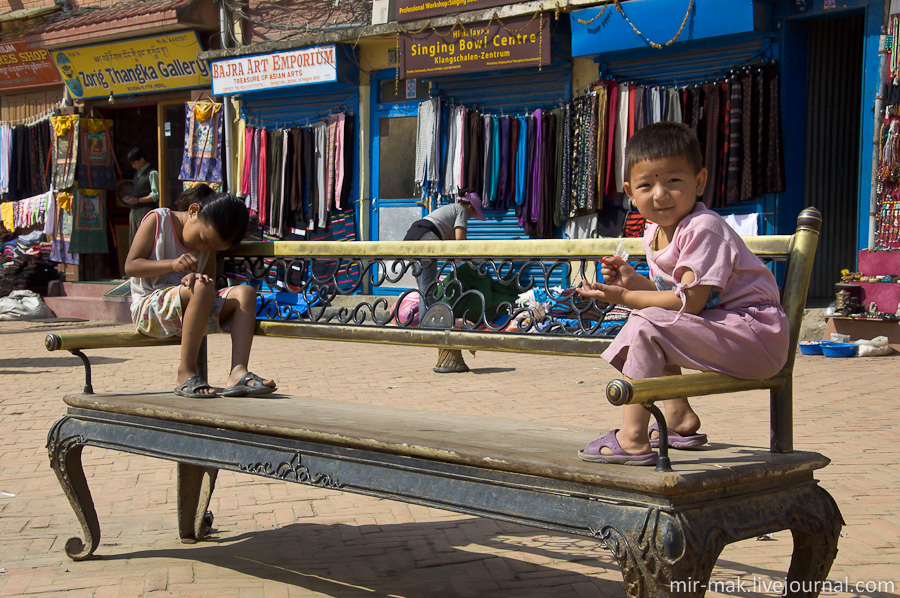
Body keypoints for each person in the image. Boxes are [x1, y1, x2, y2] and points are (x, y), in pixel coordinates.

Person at [575, 122, 789, 466]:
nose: (660, 194)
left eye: (673, 181)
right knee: (654, 322)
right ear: (630, 192)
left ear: (699, 181)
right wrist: (631, 282)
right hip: (727, 328)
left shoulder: (703, 229)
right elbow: (670, 294)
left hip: (756, 334)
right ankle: (679, 421)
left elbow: (689, 303)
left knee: (648, 324)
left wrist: (626, 299)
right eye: (647, 185)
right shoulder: (653, 235)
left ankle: (631, 438)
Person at [125, 192, 276, 399]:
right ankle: (185, 372)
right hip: (150, 311)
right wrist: (172, 264)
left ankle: (237, 373)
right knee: (200, 286)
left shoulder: (209, 245)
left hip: (194, 312)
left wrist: (198, 279)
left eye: (211, 247)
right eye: (203, 239)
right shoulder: (158, 220)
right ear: (194, 211)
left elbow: (209, 281)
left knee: (245, 293)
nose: (202, 248)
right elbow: (131, 266)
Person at [403, 190, 486, 321]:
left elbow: (452, 245)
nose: (471, 216)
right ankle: (428, 328)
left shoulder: (448, 209)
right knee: (428, 290)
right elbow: (460, 241)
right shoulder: (461, 210)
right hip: (426, 242)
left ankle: (426, 325)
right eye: (473, 212)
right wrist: (472, 259)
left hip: (411, 238)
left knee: (423, 289)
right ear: (469, 206)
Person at [123, 147, 160, 243]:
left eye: (134, 163)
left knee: (143, 241)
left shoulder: (152, 173)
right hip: (134, 211)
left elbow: (156, 195)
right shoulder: (137, 174)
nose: (133, 166)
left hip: (145, 211)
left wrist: (138, 200)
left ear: (142, 160)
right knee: (134, 240)